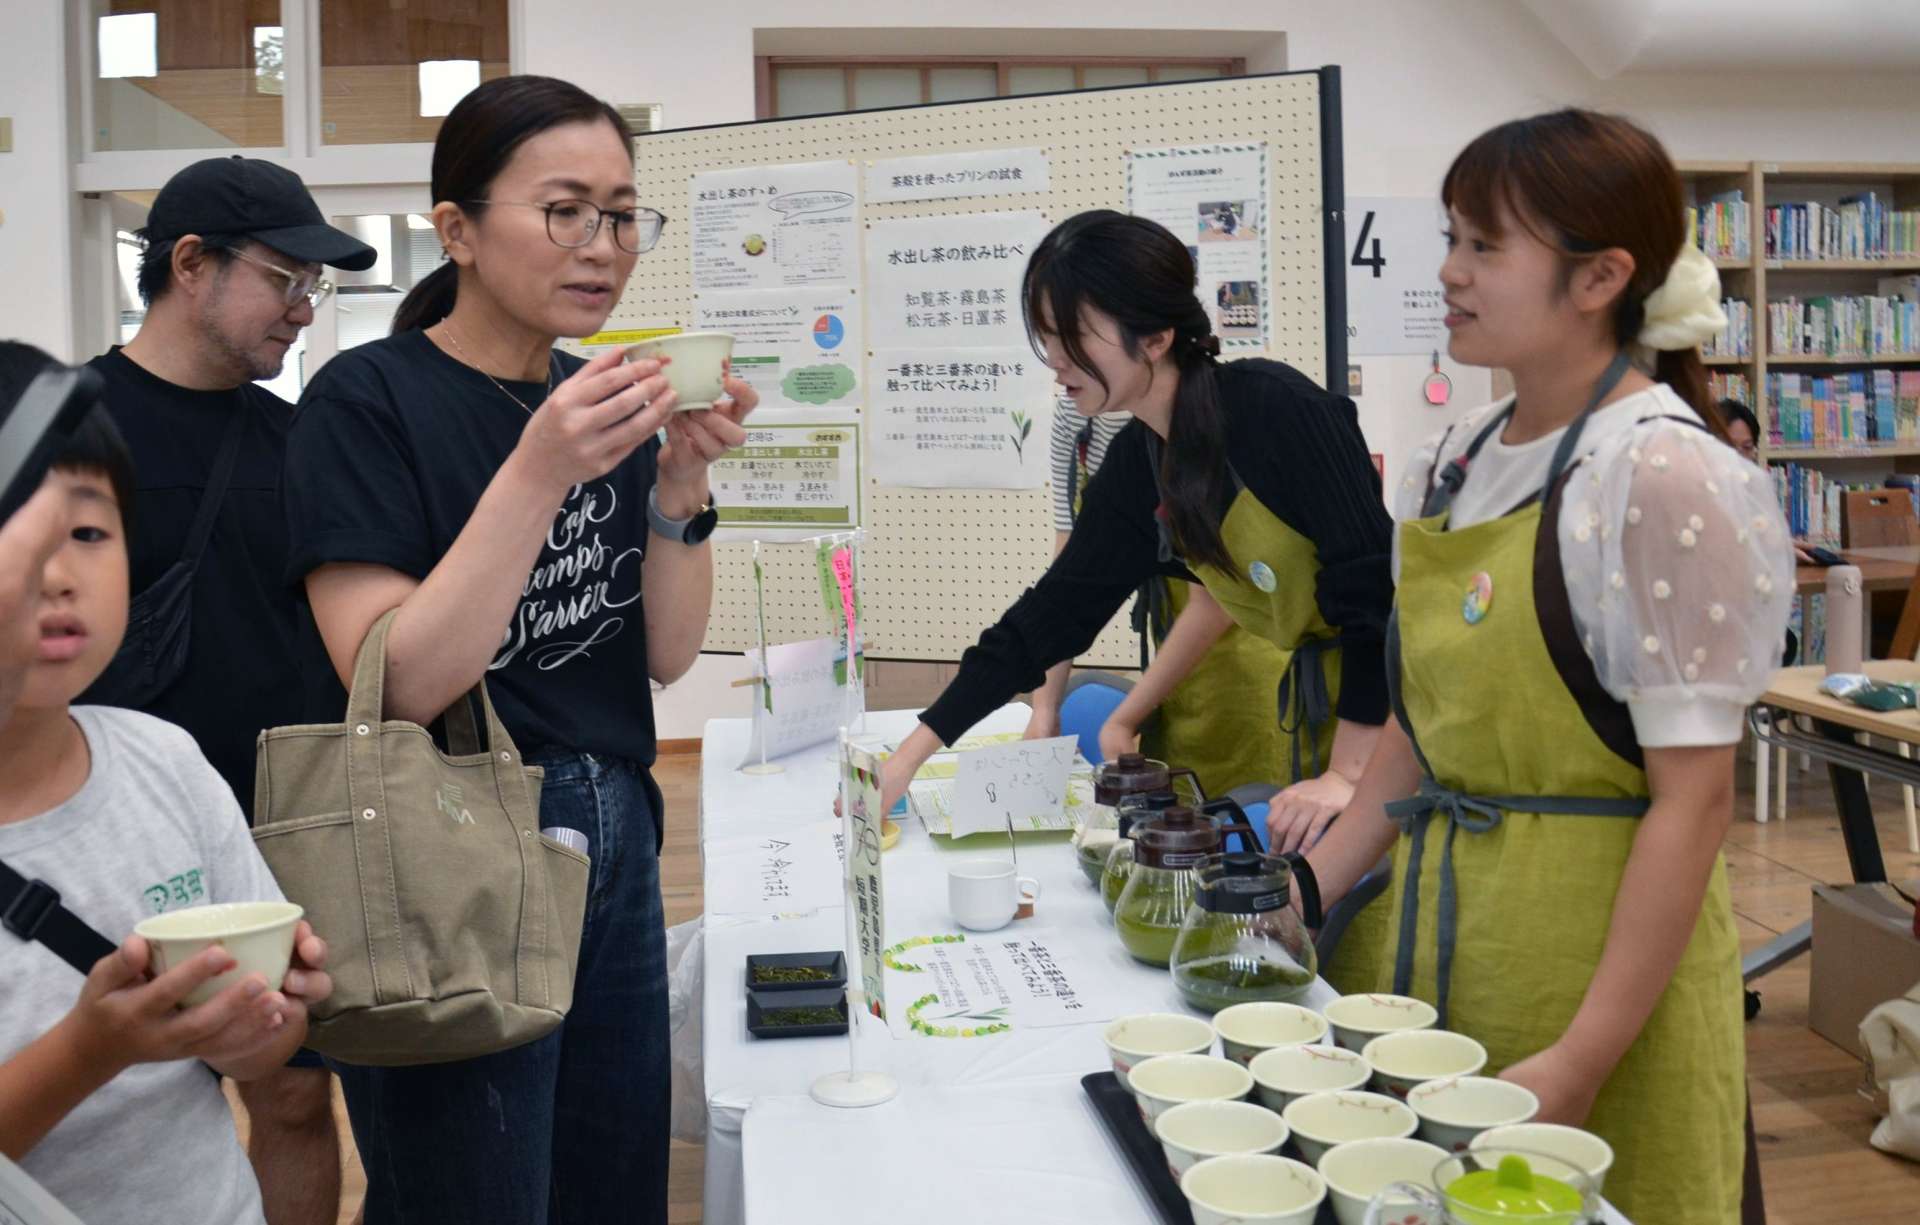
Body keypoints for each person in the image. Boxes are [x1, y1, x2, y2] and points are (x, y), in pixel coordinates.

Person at [1301, 109, 1792, 1225]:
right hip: (1436, 938)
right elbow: (1426, 731)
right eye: (1452, 239)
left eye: (1484, 245)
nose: (1449, 272)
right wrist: (1311, 886)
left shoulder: (1664, 475)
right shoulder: (1456, 458)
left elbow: (1696, 801)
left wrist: (1578, 1059)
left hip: (1594, 972)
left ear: (1600, 277)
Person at [281, 75, 756, 1225]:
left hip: (613, 829)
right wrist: (541, 468)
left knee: (613, 1180)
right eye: (566, 211)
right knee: (473, 1195)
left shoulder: (591, 397)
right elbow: (396, 680)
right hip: (450, 854)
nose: (604, 246)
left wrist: (680, 485)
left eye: (624, 212)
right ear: (457, 230)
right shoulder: (366, 400)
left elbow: (663, 655)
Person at [880, 210, 1396, 862]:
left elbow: (1375, 591)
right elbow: (1052, 615)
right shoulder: (1139, 459)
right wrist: (908, 758)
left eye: (1072, 338)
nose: (1056, 361)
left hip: (1392, 718)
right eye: (1046, 338)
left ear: (1153, 337)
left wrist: (1350, 773)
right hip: (1326, 725)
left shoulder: (1278, 410)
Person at [78, 155, 376, 1225]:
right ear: (190, 263)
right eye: (285, 277)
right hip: (104, 843)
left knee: (294, 1099)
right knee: (113, 1111)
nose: (303, 309)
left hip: (270, 840)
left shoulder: (299, 440)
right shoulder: (67, 427)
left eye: (315, 286)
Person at [0, 341, 332, 1225]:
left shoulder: (163, 760)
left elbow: (267, 1056)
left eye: (88, 531)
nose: (57, 573)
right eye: (14, 533)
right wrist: (90, 1049)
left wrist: (269, 1022)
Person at [1027, 401, 1296, 805]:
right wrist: (1044, 708)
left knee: (1240, 821)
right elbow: (1068, 577)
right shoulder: (1076, 412)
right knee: (1177, 819)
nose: (1060, 363)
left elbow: (1215, 603)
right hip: (1174, 650)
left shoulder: (1195, 417)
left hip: (1249, 648)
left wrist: (1125, 717)